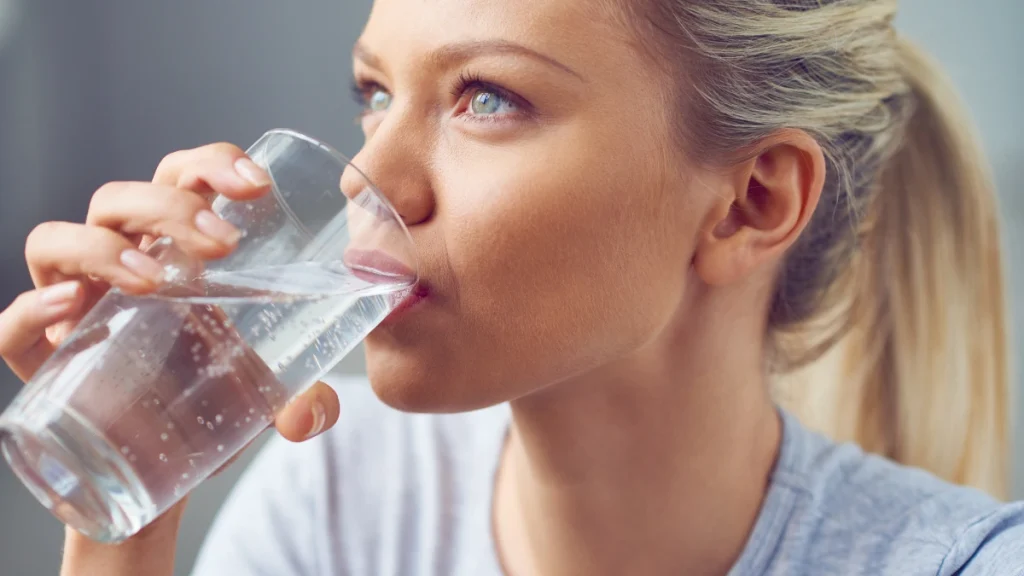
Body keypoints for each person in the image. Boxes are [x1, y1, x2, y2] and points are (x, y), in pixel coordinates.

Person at [1, 0, 1021, 574]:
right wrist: (126, 522)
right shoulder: (344, 494)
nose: (371, 184)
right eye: (375, 94)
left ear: (751, 202)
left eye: (487, 97)